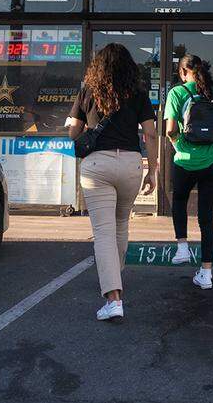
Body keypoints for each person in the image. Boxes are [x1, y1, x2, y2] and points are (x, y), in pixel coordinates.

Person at [67, 43, 159, 321]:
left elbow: (73, 133)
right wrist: (152, 171)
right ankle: (115, 279)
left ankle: (114, 298)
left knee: (104, 231)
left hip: (98, 165)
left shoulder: (87, 92)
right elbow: (151, 134)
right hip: (131, 163)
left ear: (98, 67)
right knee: (121, 225)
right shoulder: (139, 94)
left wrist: (81, 124)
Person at [164, 54, 213, 290]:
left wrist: (180, 146)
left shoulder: (178, 93)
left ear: (184, 72)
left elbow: (170, 130)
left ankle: (182, 248)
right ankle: (206, 273)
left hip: (185, 160)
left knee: (179, 200)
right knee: (207, 217)